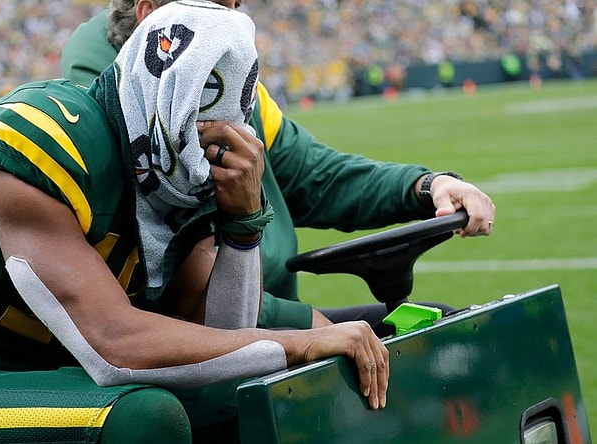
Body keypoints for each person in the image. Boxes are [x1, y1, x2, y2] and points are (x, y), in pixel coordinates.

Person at [0, 3, 388, 443]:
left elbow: (225, 334)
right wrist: (294, 341)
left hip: (58, 377)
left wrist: (243, 224)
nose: (211, 125)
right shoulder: (49, 131)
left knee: (251, 390)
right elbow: (112, 344)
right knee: (145, 419)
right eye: (197, 92)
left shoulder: (179, 171)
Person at [61, 0, 497, 336]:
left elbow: (315, 176)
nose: (231, 26)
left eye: (234, 8)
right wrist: (304, 323)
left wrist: (424, 186)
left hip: (269, 316)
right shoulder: (114, 127)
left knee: (445, 326)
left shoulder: (233, 92)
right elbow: (181, 293)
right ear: (151, 18)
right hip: (202, 338)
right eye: (214, 8)